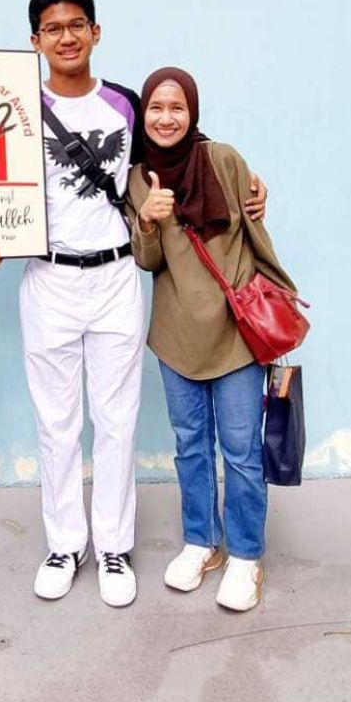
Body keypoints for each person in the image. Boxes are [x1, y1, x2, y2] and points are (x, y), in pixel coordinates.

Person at [5, 0, 268, 608]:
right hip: (48, 279)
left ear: (96, 32)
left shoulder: (125, 104)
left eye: (77, 24)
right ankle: (65, 544)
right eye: (52, 28)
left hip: (117, 277)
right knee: (56, 423)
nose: (66, 37)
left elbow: (181, 143)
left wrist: (250, 186)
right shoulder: (15, 106)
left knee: (117, 420)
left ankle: (115, 546)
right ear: (34, 40)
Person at [127, 66, 298, 612]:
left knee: (242, 451)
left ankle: (246, 554)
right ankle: (202, 542)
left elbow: (255, 232)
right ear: (143, 115)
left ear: (192, 112)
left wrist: (278, 300)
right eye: (156, 108)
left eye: (177, 107)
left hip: (235, 334)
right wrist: (147, 222)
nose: (166, 118)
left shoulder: (223, 160)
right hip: (177, 333)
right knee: (191, 446)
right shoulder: (138, 179)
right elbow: (147, 261)